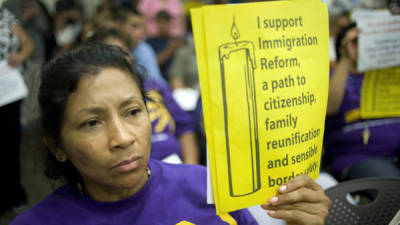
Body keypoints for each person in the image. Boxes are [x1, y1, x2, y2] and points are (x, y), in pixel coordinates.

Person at [10, 45, 330, 224]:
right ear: (57, 146)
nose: (123, 138)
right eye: (92, 123)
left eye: (133, 112)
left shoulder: (206, 186)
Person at [87, 29, 199, 164]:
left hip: (177, 167)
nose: (121, 58)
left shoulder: (153, 86)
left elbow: (185, 129)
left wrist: (189, 168)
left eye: (124, 51)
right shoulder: (95, 99)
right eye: (112, 53)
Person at [324, 22, 400, 181]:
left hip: (396, 150)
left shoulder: (390, 74)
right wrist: (345, 59)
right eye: (356, 41)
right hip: (359, 156)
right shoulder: (333, 76)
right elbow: (329, 108)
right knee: (393, 186)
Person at [0, 7, 34, 214]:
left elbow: (28, 43)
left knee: (9, 145)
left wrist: (20, 56)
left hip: (8, 90)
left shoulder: (4, 14)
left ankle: (12, 193)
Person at [146, 10, 184, 81]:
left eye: (167, 22)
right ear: (157, 23)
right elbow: (153, 63)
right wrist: (170, 50)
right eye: (162, 22)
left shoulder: (178, 40)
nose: (164, 25)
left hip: (178, 78)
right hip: (160, 79)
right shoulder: (150, 42)